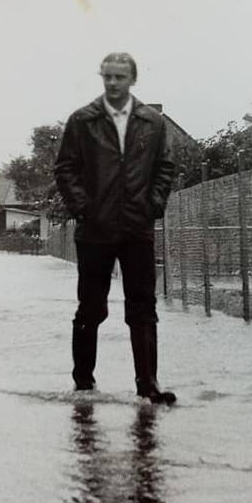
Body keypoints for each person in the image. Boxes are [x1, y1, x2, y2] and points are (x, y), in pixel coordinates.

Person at [54, 52, 177, 404]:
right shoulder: (83, 120)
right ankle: (83, 383)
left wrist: (154, 205)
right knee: (91, 306)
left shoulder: (153, 122)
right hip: (95, 229)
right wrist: (83, 208)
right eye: (106, 76)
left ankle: (148, 384)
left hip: (137, 227)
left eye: (119, 77)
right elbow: (65, 168)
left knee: (142, 305)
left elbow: (165, 167)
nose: (112, 83)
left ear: (133, 79)